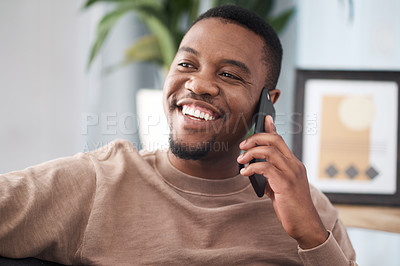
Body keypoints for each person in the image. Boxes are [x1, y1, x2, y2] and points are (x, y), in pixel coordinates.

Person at [0, 5, 356, 265]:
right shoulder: (101, 181)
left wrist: (311, 235)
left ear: (267, 102)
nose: (198, 84)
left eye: (230, 75)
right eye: (186, 64)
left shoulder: (309, 209)